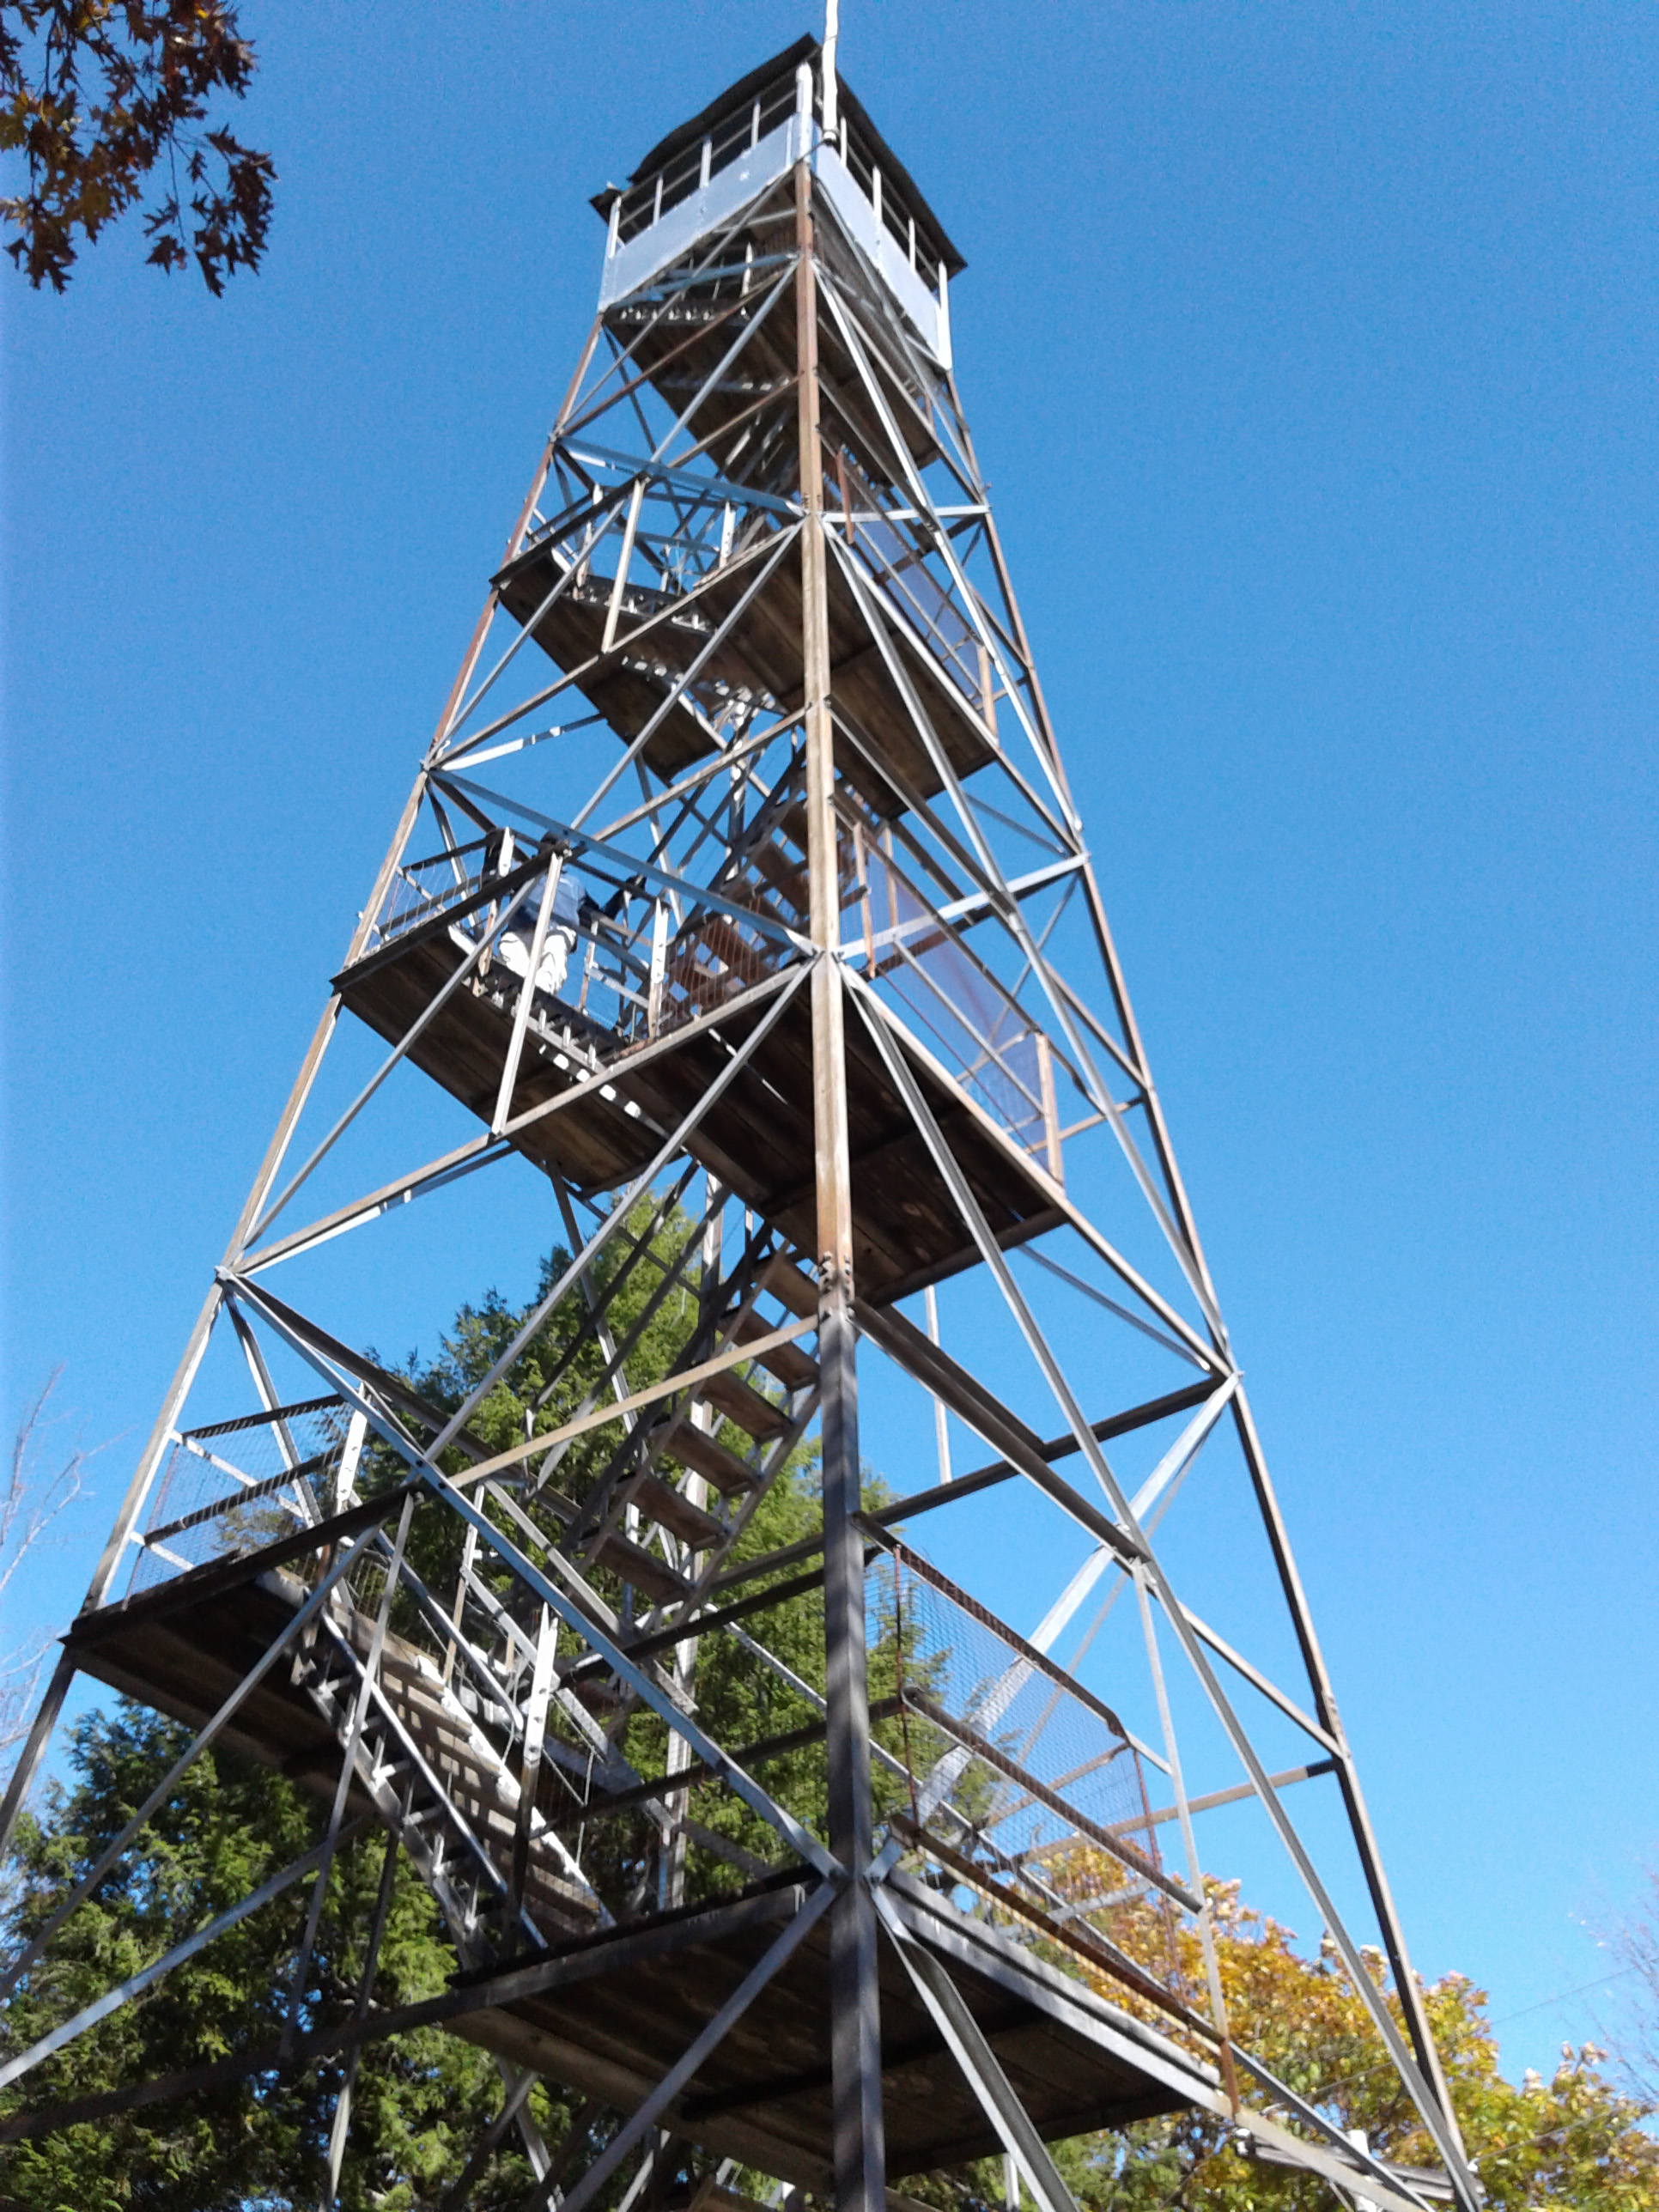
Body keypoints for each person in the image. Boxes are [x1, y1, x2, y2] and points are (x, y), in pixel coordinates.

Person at [497, 860, 582, 997]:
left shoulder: (574, 884)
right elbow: (502, 870)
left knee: (554, 954)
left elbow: (598, 916)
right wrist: (500, 855)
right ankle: (514, 992)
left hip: (558, 929)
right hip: (523, 927)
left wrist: (617, 900)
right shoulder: (528, 869)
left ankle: (538, 994)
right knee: (512, 954)